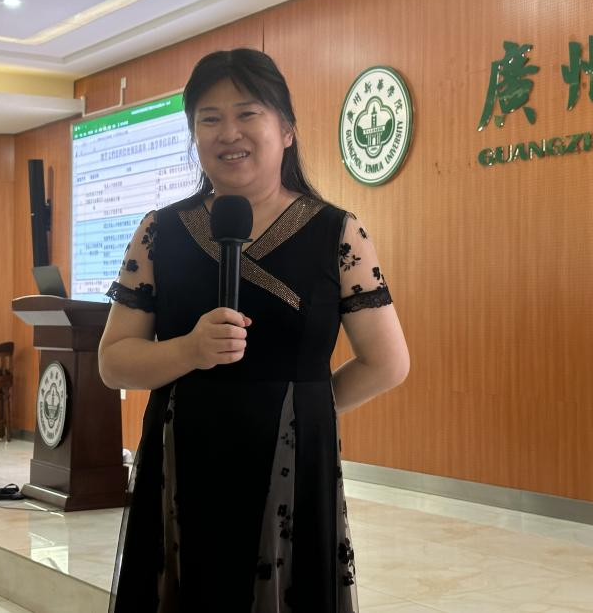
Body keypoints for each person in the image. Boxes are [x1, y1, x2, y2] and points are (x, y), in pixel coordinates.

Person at [99, 48, 409, 613]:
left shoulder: (337, 233)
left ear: (286, 130)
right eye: (209, 119)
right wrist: (190, 350)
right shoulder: (160, 231)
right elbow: (114, 360)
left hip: (292, 466)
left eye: (247, 114)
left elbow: (387, 362)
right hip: (184, 460)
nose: (228, 133)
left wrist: (304, 409)